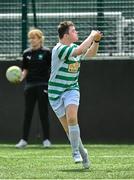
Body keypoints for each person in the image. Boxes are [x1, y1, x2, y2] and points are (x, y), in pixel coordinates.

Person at [48, 21, 103, 168]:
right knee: (68, 129)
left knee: (72, 117)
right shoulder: (59, 49)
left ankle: (75, 153)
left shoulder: (74, 47)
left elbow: (89, 54)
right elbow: (80, 51)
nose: (76, 32)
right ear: (66, 35)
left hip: (71, 89)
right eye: (73, 31)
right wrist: (92, 35)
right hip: (55, 94)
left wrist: (96, 41)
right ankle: (83, 153)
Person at [16, 28, 51, 148]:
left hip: (43, 86)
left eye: (34, 38)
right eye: (30, 38)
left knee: (43, 113)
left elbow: (51, 68)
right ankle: (24, 140)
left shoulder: (47, 52)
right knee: (28, 114)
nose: (31, 40)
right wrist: (20, 78)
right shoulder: (26, 53)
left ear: (40, 39)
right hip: (29, 86)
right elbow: (25, 69)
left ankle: (46, 140)